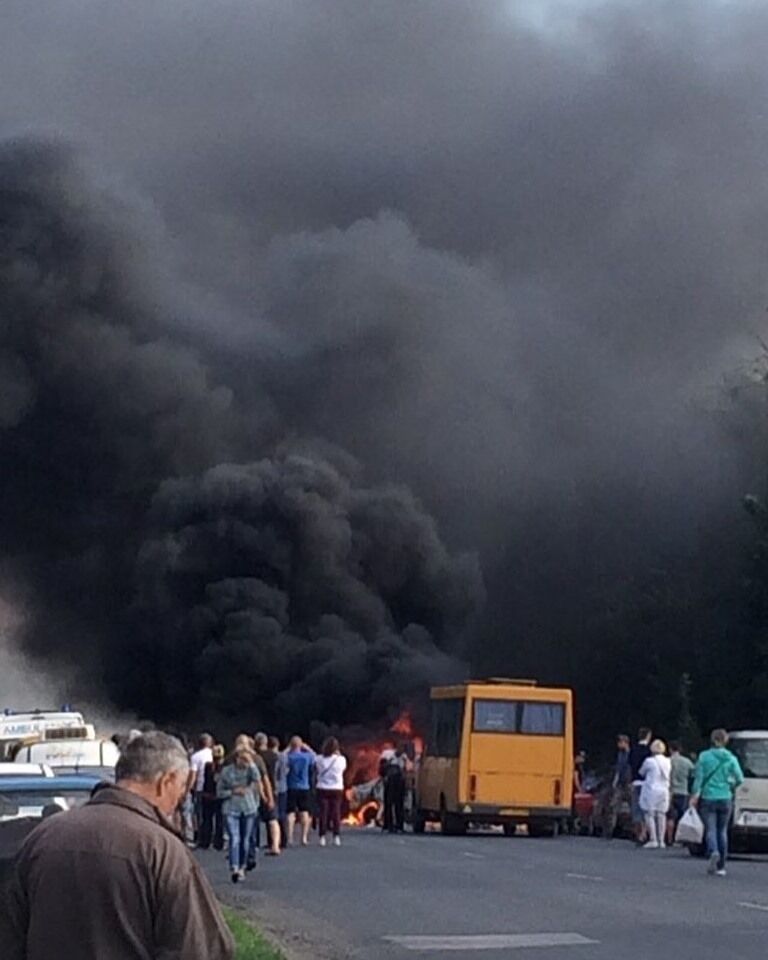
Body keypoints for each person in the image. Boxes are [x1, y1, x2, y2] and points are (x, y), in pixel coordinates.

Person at [0, 731, 234, 960]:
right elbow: (198, 949)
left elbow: (10, 937)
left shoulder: (43, 836)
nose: (181, 797)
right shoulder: (164, 851)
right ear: (167, 781)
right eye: (182, 787)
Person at [691, 728, 744, 877]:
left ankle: (713, 851)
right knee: (723, 831)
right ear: (725, 740)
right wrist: (730, 784)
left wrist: (695, 795)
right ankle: (721, 866)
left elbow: (698, 779)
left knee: (711, 829)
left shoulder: (704, 757)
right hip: (725, 797)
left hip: (708, 797)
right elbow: (740, 778)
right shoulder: (731, 758)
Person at [217, 745, 265, 883]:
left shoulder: (251, 770)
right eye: (242, 759)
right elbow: (219, 792)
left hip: (248, 808)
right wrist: (232, 792)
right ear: (236, 758)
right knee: (234, 838)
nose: (244, 762)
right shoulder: (227, 772)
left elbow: (257, 779)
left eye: (246, 759)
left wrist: (252, 764)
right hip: (231, 808)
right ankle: (235, 867)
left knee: (246, 839)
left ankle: (243, 866)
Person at [315, 737, 347, 846]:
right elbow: (343, 769)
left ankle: (322, 837)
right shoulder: (341, 760)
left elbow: (314, 764)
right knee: (336, 812)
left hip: (322, 787)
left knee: (323, 813)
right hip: (337, 788)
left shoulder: (319, 759)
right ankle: (336, 836)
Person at [639, 739, 671, 849]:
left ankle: (653, 839)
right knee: (662, 815)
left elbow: (641, 772)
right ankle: (662, 840)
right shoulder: (668, 761)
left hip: (651, 790)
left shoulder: (649, 761)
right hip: (664, 790)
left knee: (649, 814)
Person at [255, 732, 282, 856]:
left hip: (257, 790)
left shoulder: (256, 757)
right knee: (272, 819)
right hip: (274, 787)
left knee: (254, 818)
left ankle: (254, 843)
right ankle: (275, 844)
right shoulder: (276, 756)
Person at [286, 735, 315, 846]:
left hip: (291, 786)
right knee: (304, 812)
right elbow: (315, 757)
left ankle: (290, 837)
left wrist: (288, 748)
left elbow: (281, 757)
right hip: (304, 787)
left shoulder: (289, 757)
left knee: (290, 813)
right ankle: (303, 837)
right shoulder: (306, 757)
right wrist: (307, 747)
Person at [666, 741, 694, 845]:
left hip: (670, 791)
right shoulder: (687, 762)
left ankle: (669, 839)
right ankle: (681, 839)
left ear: (670, 749)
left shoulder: (667, 761)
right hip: (683, 791)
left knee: (670, 817)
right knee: (682, 817)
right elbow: (693, 774)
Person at [188, 733, 214, 844]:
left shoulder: (195, 756)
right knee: (212, 814)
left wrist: (188, 788)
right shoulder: (214, 754)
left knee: (199, 814)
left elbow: (193, 774)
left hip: (200, 788)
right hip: (213, 787)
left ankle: (200, 836)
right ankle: (214, 836)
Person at [199, 743, 225, 851]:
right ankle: (218, 842)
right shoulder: (224, 768)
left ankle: (205, 841)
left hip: (208, 795)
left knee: (207, 819)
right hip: (219, 796)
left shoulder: (208, 766)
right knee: (219, 820)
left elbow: (206, 781)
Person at [629, 727, 653, 843]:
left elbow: (630, 765)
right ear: (648, 736)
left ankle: (638, 832)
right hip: (646, 783)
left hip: (635, 781)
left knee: (636, 808)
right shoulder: (649, 751)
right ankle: (644, 833)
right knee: (645, 808)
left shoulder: (633, 749)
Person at [380, 742, 407, 833]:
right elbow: (381, 769)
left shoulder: (403, 757)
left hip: (399, 783)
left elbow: (405, 770)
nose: (401, 752)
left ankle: (399, 825)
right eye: (400, 749)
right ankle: (388, 825)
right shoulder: (387, 754)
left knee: (399, 804)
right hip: (389, 782)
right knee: (388, 803)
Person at [271, 735, 289, 847]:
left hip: (275, 787)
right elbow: (287, 769)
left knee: (274, 815)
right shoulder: (284, 756)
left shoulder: (274, 757)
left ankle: (275, 840)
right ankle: (284, 838)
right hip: (284, 786)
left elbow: (274, 773)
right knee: (283, 813)